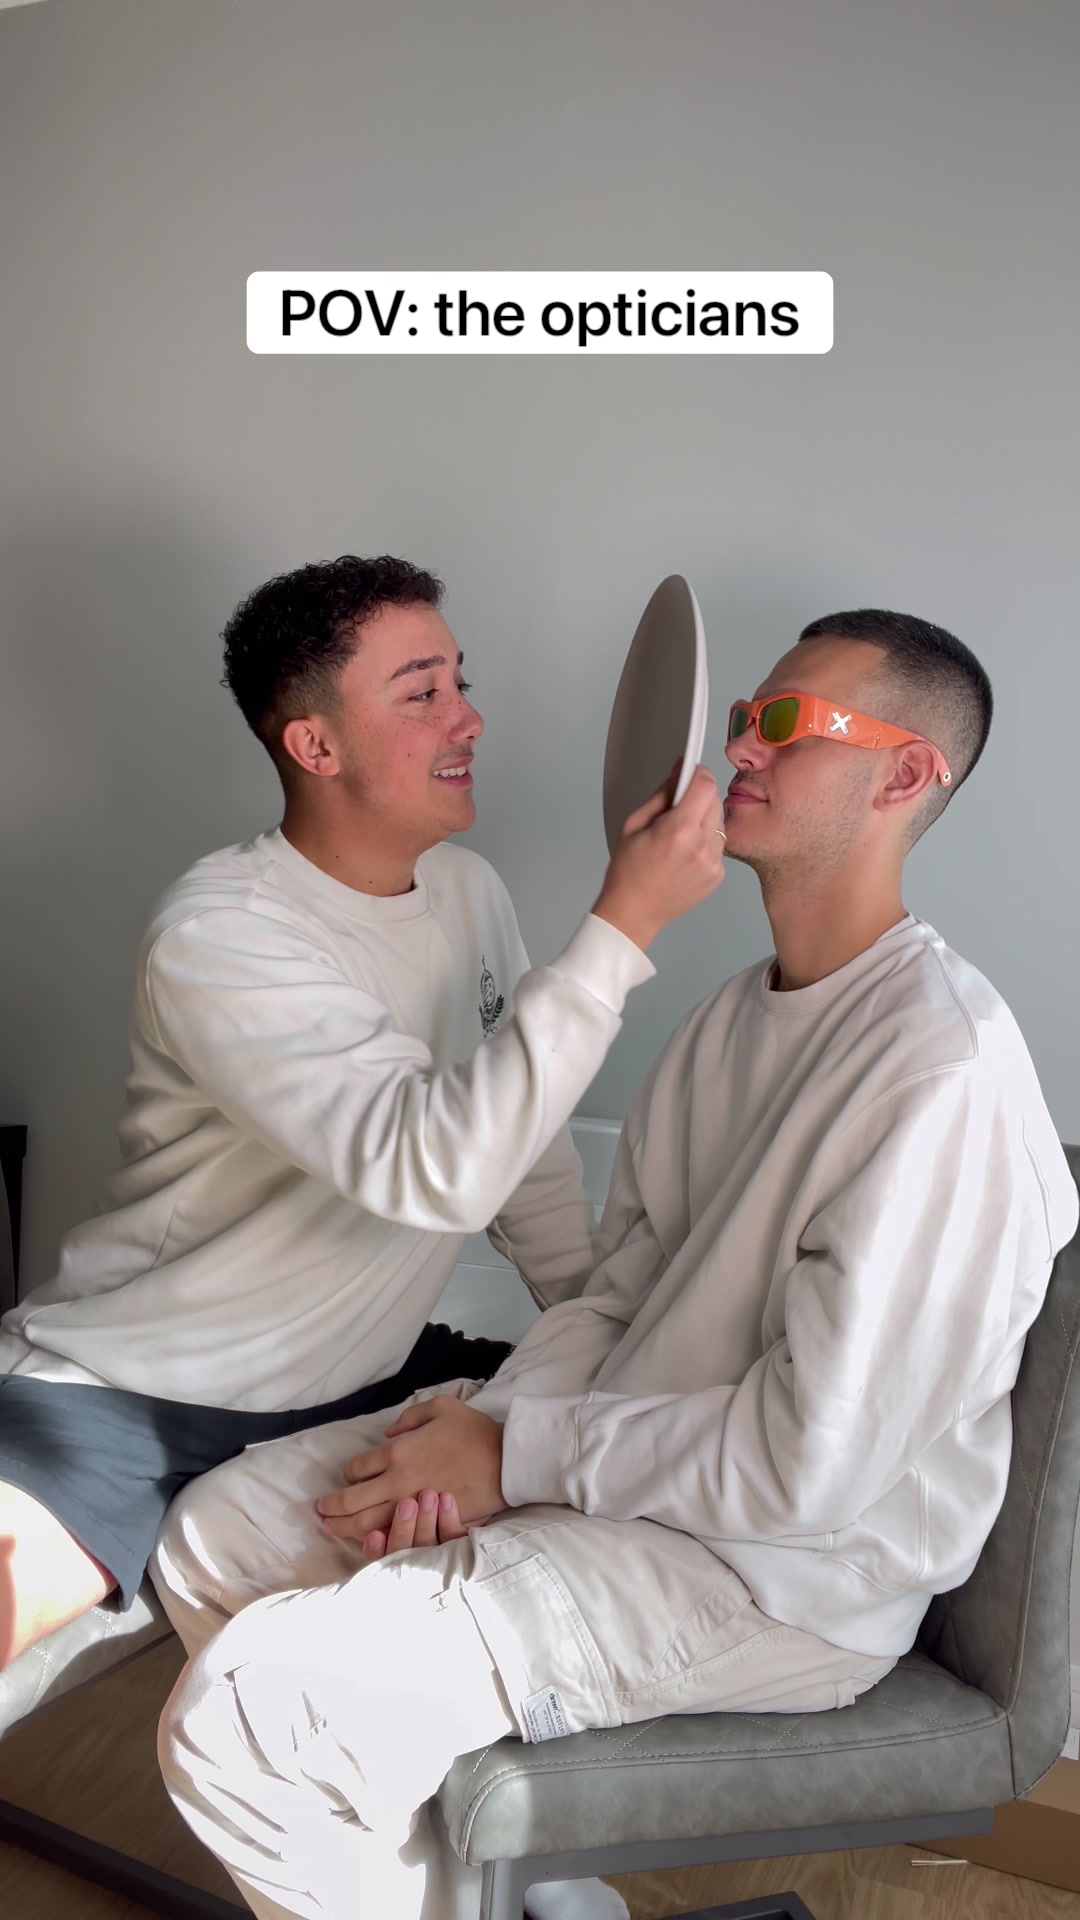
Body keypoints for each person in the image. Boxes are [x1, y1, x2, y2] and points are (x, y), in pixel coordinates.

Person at [153, 606, 1077, 1920]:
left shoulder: (942, 1076)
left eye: (785, 725)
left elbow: (805, 1469)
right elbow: (617, 1299)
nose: (737, 749)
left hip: (780, 1576)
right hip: (620, 1483)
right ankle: (533, 1896)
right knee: (216, 1539)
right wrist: (482, 1438)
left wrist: (515, 1458)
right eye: (743, 718)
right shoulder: (724, 1025)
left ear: (905, 776)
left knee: (251, 1718)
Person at [0, 554, 725, 1670]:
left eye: (460, 681)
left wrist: (595, 1331)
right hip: (137, 1393)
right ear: (317, 746)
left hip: (362, 1379)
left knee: (610, 1471)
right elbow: (436, 1168)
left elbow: (520, 1151)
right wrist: (625, 923)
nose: (469, 717)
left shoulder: (469, 893)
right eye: (422, 691)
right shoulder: (223, 934)